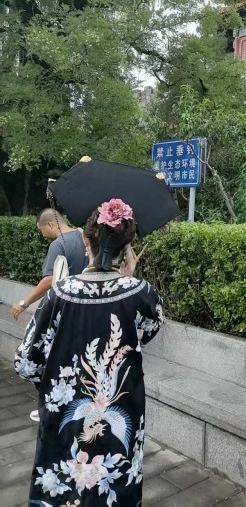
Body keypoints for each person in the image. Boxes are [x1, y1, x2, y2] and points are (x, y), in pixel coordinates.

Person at [14, 198, 165, 507]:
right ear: (127, 245)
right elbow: (147, 332)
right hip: (122, 411)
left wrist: (56, 383)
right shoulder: (143, 293)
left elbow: (27, 362)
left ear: (86, 240)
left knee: (64, 489)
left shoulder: (59, 293)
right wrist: (131, 277)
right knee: (116, 487)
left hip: (67, 419)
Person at [11, 209, 88, 320]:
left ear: (50, 225)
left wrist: (24, 303)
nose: (42, 235)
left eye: (41, 230)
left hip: (67, 307)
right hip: (87, 301)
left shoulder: (57, 244)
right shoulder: (83, 235)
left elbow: (50, 280)